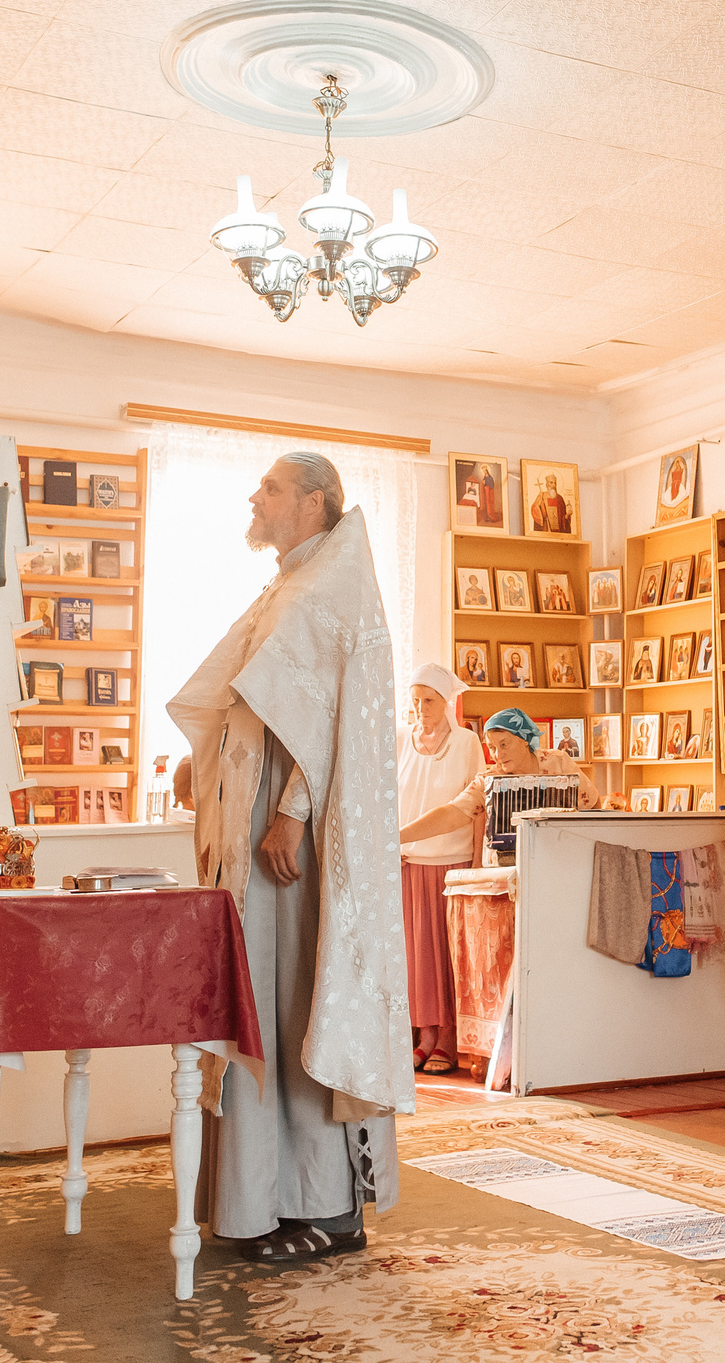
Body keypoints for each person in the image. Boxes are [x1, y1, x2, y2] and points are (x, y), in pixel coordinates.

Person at [169, 452, 409, 1264]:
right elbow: (259, 701)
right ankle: (260, 1200)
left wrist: (290, 814)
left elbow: (333, 720)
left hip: (288, 835)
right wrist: (204, 764)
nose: (254, 496)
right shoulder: (289, 585)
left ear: (313, 502)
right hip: (254, 827)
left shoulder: (330, 588)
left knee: (296, 998)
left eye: (269, 486)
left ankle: (323, 1206)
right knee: (256, 1001)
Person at [393, 663, 482, 1077]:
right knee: (417, 956)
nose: (421, 709)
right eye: (415, 701)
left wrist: (479, 862)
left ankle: (448, 1038)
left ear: (446, 701)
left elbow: (477, 806)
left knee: (447, 953)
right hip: (410, 860)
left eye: (428, 700)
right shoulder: (400, 740)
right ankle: (424, 1037)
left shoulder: (466, 742)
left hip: (453, 860)